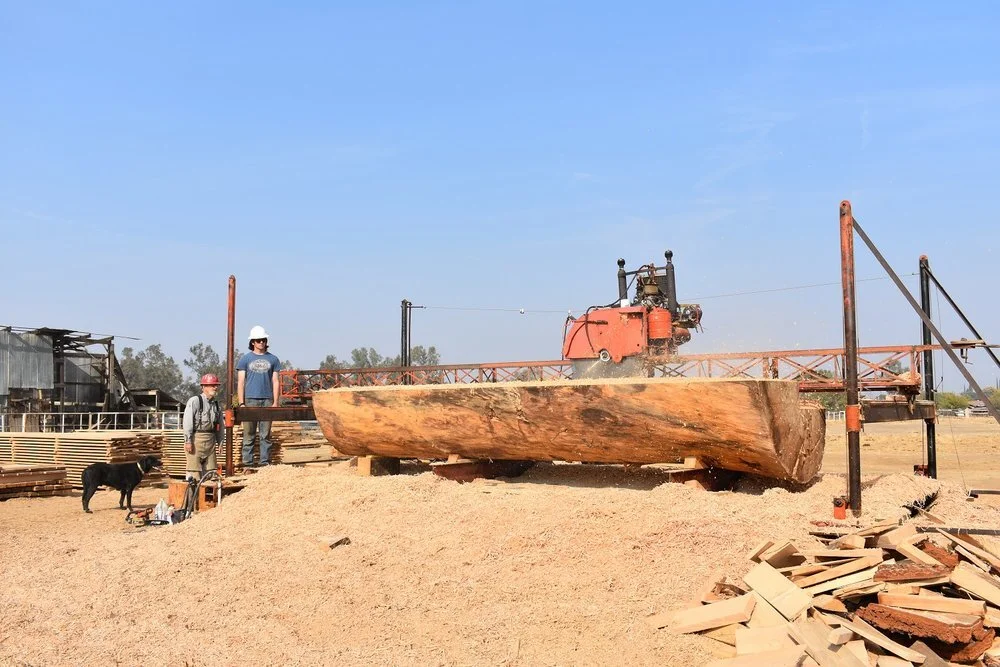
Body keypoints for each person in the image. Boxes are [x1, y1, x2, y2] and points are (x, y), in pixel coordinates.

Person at [237, 325, 281, 468]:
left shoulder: (273, 359)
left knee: (265, 435)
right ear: (252, 342)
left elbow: (275, 381)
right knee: (249, 435)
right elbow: (241, 382)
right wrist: (241, 403)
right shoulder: (245, 359)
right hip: (250, 400)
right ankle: (248, 465)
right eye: (258, 340)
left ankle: (264, 464)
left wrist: (275, 402)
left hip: (267, 400)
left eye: (263, 340)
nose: (261, 342)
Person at [183, 374, 223, 480]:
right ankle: (193, 496)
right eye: (212, 385)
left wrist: (220, 442)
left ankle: (209, 496)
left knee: (212, 473)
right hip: (196, 440)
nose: (215, 388)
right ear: (203, 387)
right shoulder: (194, 401)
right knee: (194, 473)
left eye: (216, 385)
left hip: (211, 441)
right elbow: (187, 422)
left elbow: (220, 425)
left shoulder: (216, 405)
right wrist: (188, 441)